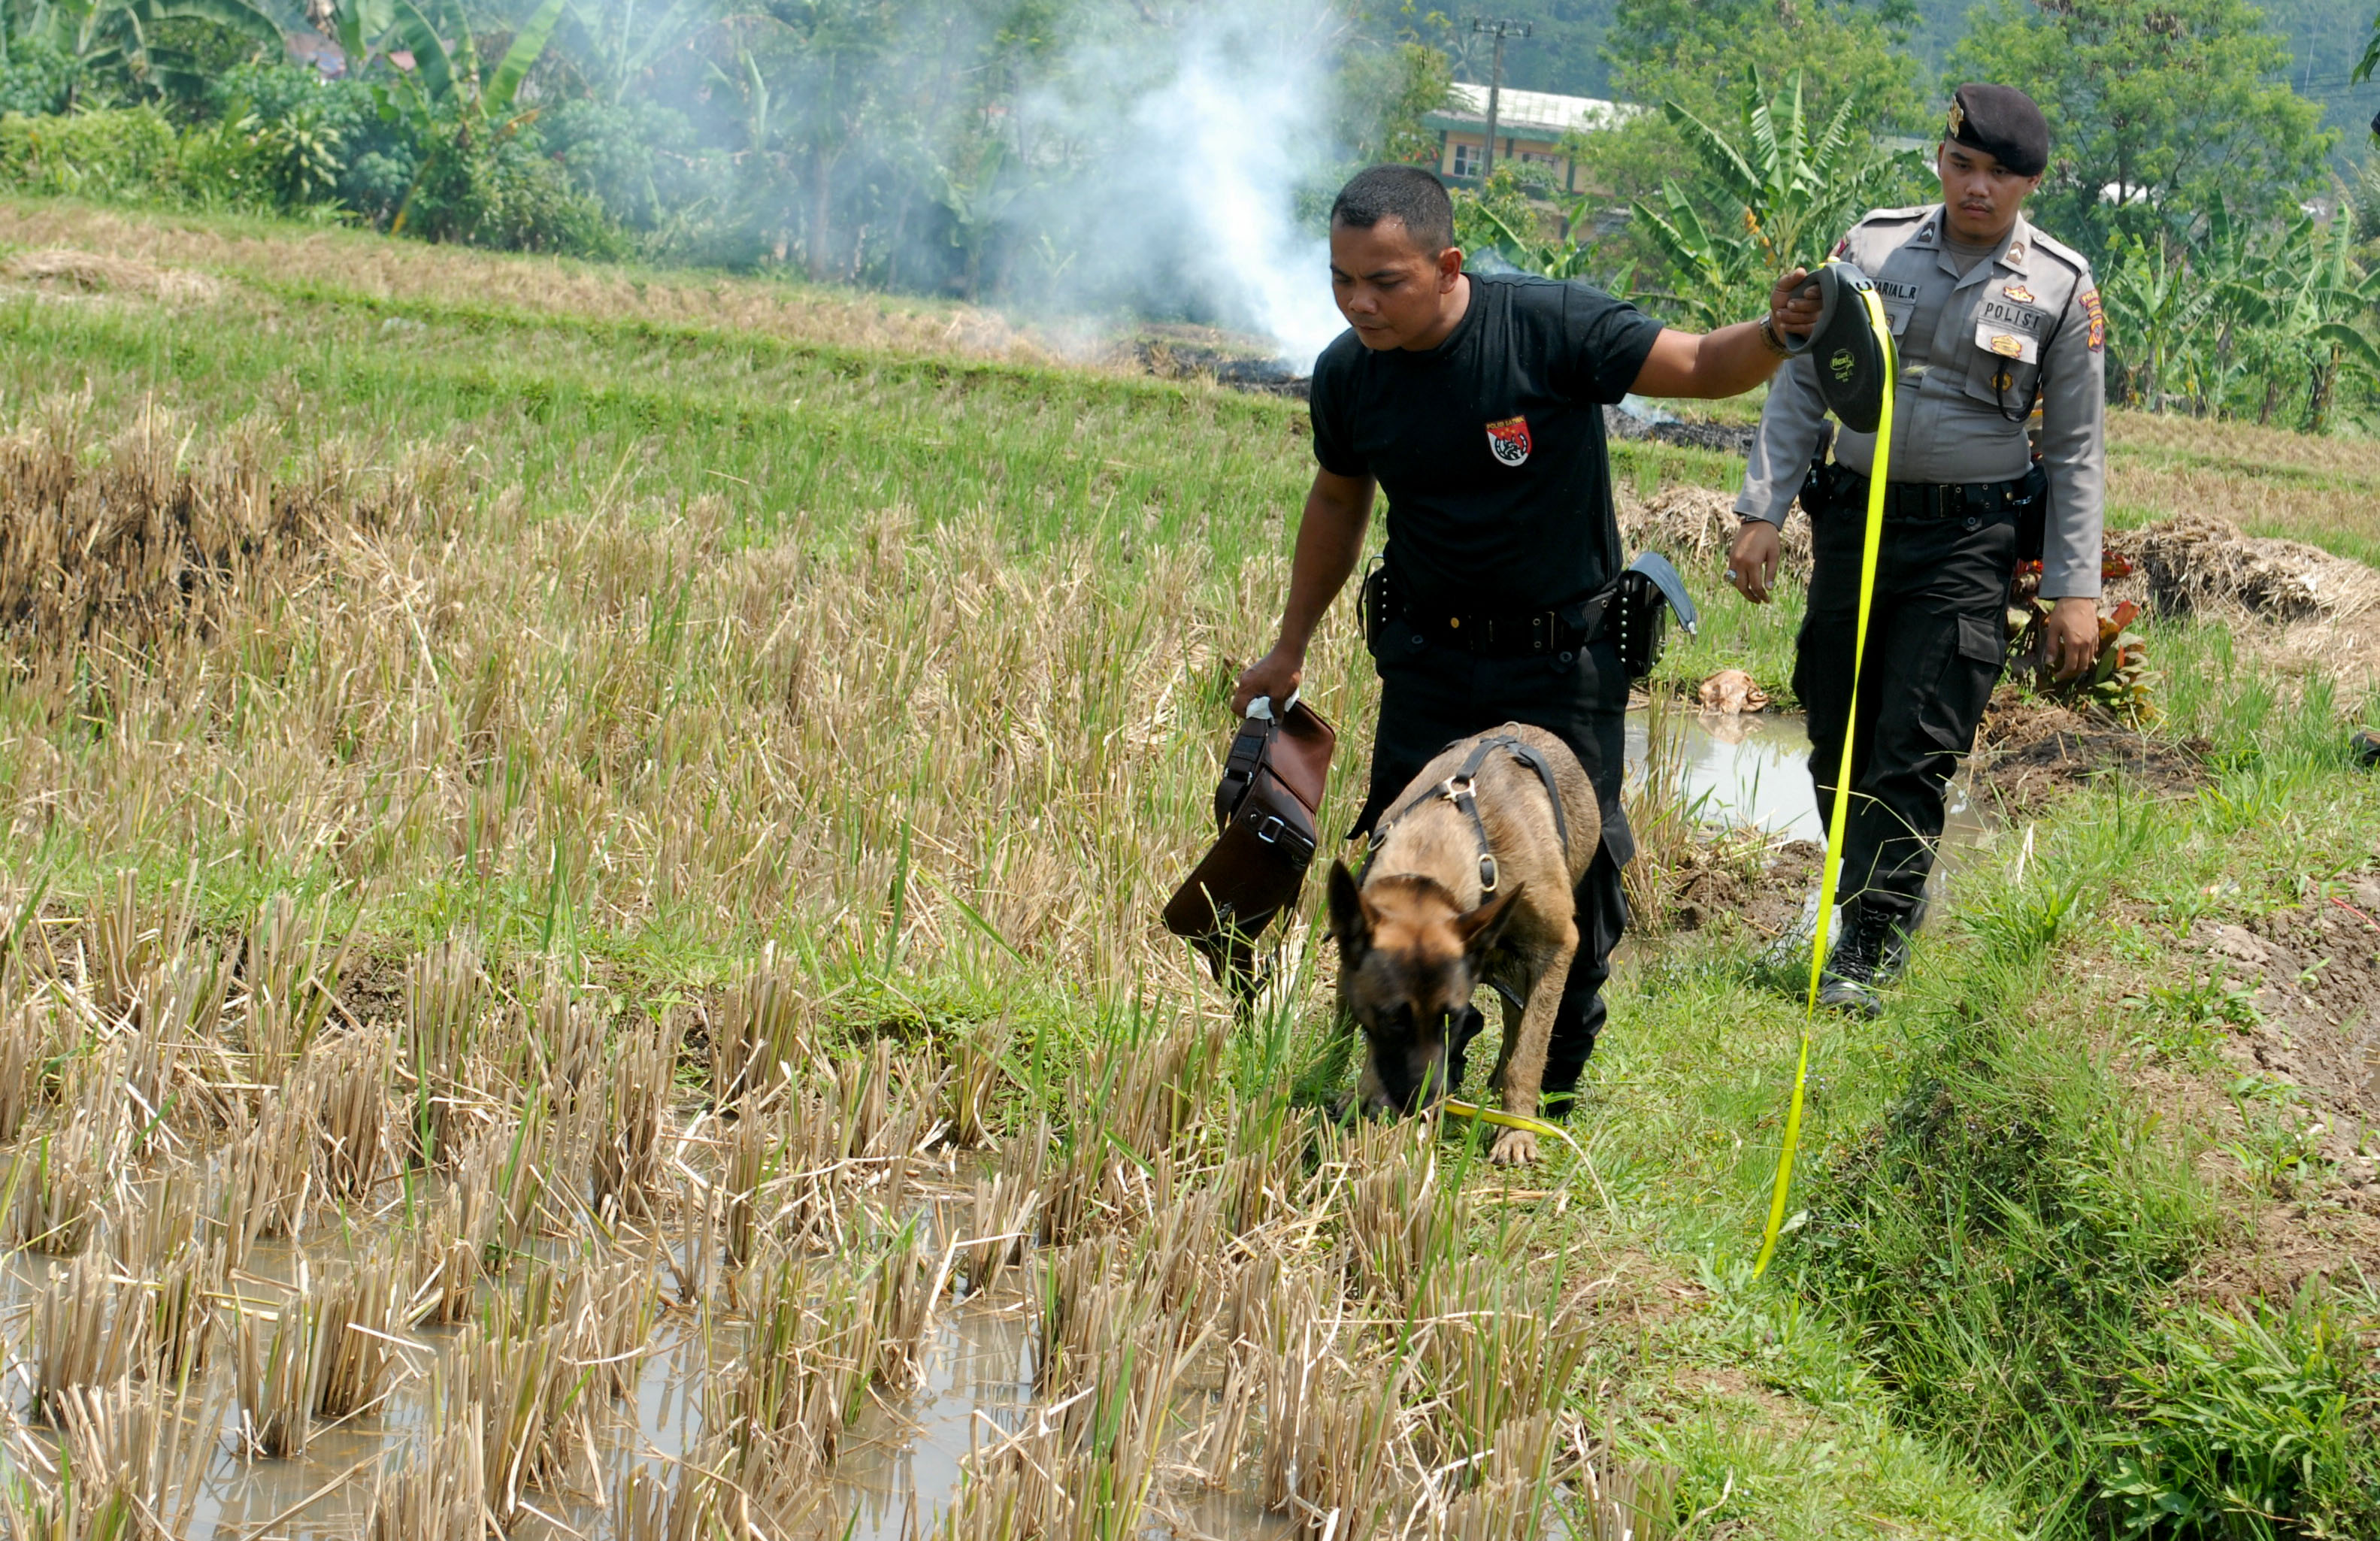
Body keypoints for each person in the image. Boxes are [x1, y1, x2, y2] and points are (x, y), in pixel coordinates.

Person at [1233, 163, 1816, 1116]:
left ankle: (1542, 1105)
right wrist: (1288, 645)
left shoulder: (1545, 329)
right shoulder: (1348, 374)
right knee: (1412, 893)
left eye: (1385, 281)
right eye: (1341, 279)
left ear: (1448, 263)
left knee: (1569, 907)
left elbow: (1705, 366)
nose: (1358, 302)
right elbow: (1338, 501)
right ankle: (1418, 1098)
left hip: (1562, 665)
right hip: (1427, 662)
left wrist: (1780, 333)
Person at [1727, 83, 2106, 1012]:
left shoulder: (2060, 284)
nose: (1977, 188)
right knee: (1829, 722)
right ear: (1940, 164)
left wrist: (2074, 589)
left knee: (1914, 737)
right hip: (1852, 520)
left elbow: (2076, 447)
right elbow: (1800, 387)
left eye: (1999, 175)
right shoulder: (1871, 245)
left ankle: (1872, 934)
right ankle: (1867, 898)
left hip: (1967, 537)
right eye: (1962, 166)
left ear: (2031, 184)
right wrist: (1763, 509)